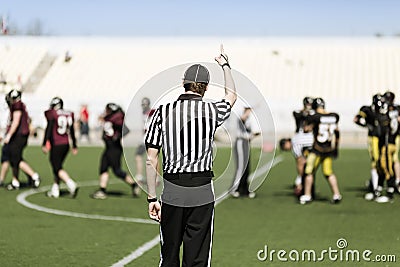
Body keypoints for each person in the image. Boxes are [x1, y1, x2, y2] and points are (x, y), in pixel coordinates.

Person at [145, 45, 236, 266]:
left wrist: (151, 197)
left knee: (169, 254)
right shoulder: (211, 110)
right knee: (197, 256)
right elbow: (231, 96)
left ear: (183, 83)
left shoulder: (162, 112)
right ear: (204, 88)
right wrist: (224, 65)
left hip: (174, 187)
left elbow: (151, 159)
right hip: (202, 187)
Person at [92, 103, 140, 199]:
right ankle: (102, 190)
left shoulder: (116, 119)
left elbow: (126, 130)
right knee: (103, 168)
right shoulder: (109, 118)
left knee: (117, 171)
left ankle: (134, 184)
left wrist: (117, 137)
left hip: (115, 148)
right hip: (108, 148)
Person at [300, 97, 342, 204]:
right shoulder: (333, 116)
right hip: (328, 149)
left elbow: (305, 129)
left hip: (317, 149)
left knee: (308, 171)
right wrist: (336, 147)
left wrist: (311, 125)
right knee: (328, 172)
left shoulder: (314, 117)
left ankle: (307, 195)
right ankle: (337, 194)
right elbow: (337, 132)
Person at [42, 97, 79, 198]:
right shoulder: (68, 114)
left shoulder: (53, 114)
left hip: (57, 144)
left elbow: (49, 129)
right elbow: (71, 131)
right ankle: (55, 189)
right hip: (66, 144)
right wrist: (74, 145)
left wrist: (44, 143)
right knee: (57, 166)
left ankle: (70, 183)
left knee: (57, 167)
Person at [4, 89, 40, 190]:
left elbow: (16, 122)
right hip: (19, 135)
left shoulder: (17, 106)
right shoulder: (19, 105)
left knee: (16, 158)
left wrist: (9, 135)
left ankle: (34, 176)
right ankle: (16, 181)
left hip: (19, 135)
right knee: (14, 158)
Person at [354, 94, 383, 200]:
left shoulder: (384, 109)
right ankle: (375, 187)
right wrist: (367, 126)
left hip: (383, 138)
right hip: (373, 138)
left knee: (383, 162)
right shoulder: (367, 110)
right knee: (376, 161)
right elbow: (356, 119)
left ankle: (375, 184)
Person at [372, 95, 399, 202]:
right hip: (392, 143)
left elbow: (381, 131)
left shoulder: (385, 117)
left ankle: (390, 191)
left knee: (386, 167)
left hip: (388, 144)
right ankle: (380, 188)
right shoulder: (393, 114)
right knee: (383, 166)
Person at [230, 106, 260, 198]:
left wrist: (253, 135)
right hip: (240, 141)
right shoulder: (241, 113)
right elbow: (242, 119)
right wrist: (248, 111)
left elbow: (255, 131)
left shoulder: (251, 117)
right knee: (241, 166)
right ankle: (235, 188)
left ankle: (244, 189)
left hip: (246, 142)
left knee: (247, 167)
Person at [290, 97, 315, 193]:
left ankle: (305, 183)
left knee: (310, 163)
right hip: (299, 140)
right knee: (300, 161)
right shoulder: (299, 113)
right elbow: (297, 114)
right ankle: (302, 181)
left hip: (309, 140)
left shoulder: (314, 114)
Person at [135, 97, 155, 185]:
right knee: (151, 158)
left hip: (148, 138)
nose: (143, 106)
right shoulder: (145, 112)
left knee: (141, 156)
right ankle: (155, 177)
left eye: (144, 104)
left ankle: (141, 176)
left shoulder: (151, 112)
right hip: (147, 137)